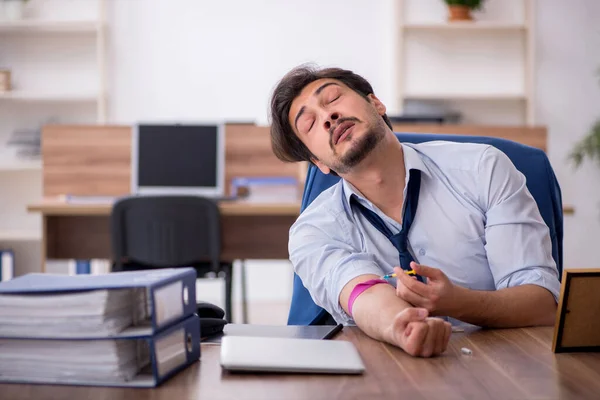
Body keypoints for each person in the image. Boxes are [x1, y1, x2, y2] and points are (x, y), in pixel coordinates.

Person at [269, 64, 560, 358]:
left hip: (506, 364)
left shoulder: (483, 168)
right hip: (391, 370)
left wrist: (459, 302)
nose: (328, 117)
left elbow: (541, 303)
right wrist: (401, 325)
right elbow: (360, 291)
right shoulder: (313, 230)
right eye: (309, 124)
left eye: (333, 99)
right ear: (319, 163)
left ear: (376, 103)